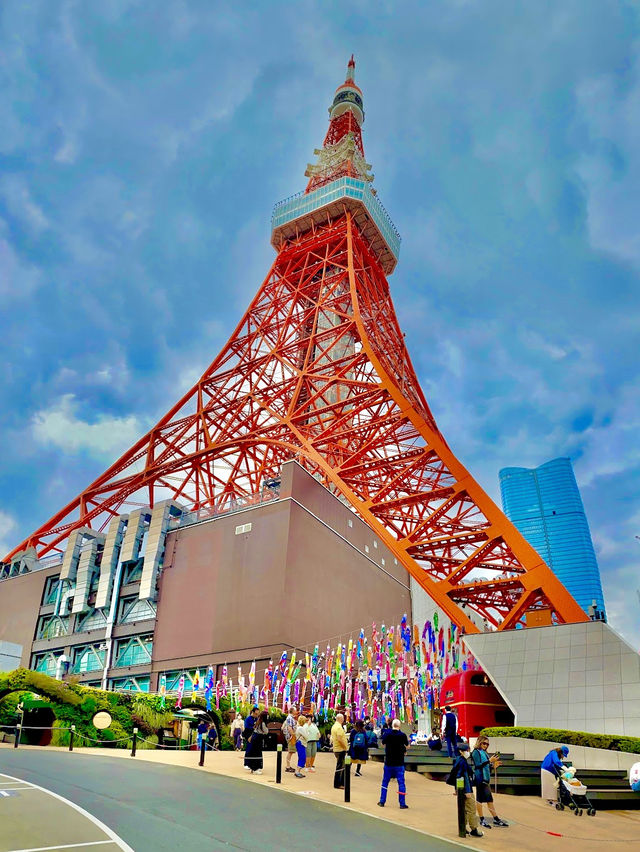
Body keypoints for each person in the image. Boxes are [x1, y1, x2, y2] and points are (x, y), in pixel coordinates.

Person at [471, 736, 509, 828]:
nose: (486, 745)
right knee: (480, 800)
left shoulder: (484, 753)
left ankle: (495, 819)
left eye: (487, 744)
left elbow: (486, 766)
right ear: (479, 743)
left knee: (488, 800)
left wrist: (493, 765)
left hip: (485, 779)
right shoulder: (476, 752)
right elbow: (478, 765)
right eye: (484, 743)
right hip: (480, 779)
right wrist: (489, 761)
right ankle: (483, 819)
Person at [453, 742, 483, 837]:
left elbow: (456, 776)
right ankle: (474, 829)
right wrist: (467, 790)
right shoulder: (462, 762)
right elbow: (462, 776)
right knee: (471, 810)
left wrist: (457, 789)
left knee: (465, 810)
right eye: (466, 750)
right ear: (461, 751)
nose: (468, 752)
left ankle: (464, 828)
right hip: (466, 790)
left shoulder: (458, 760)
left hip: (462, 789)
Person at [378, 718, 409, 809]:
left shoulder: (387, 734)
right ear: (399, 726)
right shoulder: (403, 735)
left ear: (392, 725)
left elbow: (382, 744)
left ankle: (382, 801)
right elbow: (407, 746)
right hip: (399, 762)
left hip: (389, 762)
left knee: (385, 782)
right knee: (401, 783)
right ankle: (402, 803)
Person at [331, 712, 349, 789]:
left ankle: (340, 782)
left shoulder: (335, 726)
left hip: (337, 748)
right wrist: (345, 746)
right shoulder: (338, 727)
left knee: (341, 766)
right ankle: (338, 783)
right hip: (340, 749)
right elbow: (339, 738)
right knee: (340, 767)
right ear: (340, 719)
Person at [283, 704, 298, 773]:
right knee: (290, 751)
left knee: (291, 751)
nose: (297, 711)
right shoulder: (289, 718)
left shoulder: (291, 718)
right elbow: (289, 727)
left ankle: (288, 765)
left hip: (291, 736)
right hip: (290, 736)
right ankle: (288, 766)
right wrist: (293, 735)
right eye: (296, 710)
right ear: (292, 711)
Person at [294, 714, 308, 778]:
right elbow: (306, 736)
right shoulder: (301, 728)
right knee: (303, 757)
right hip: (301, 743)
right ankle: (298, 771)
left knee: (301, 757)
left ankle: (298, 771)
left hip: (299, 743)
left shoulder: (298, 727)